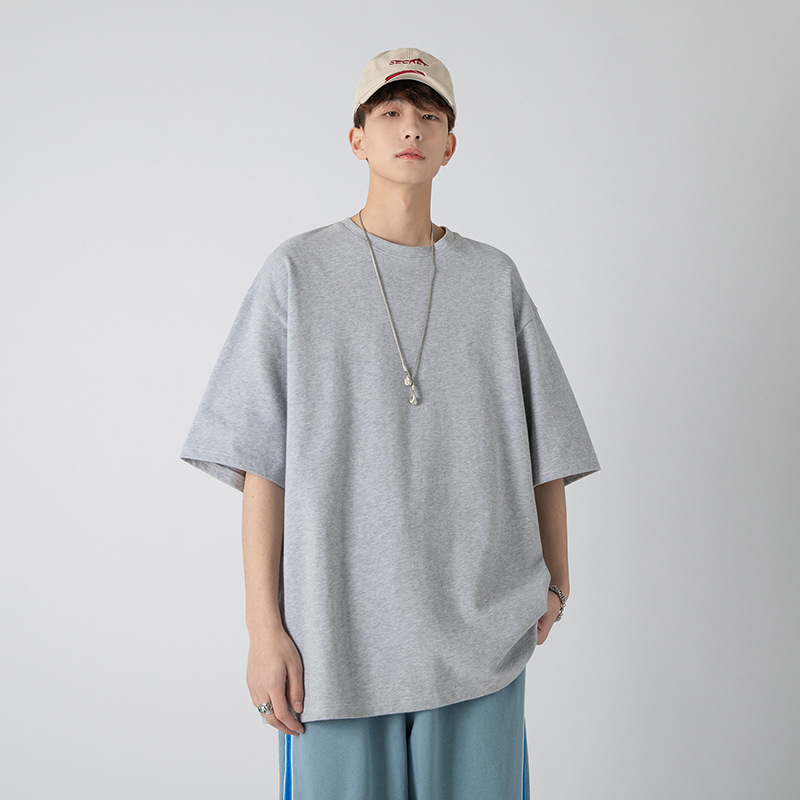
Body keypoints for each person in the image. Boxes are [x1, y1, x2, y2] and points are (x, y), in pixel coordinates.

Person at [180, 47, 600, 799]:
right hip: (333, 644)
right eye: (391, 112)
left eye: (429, 116)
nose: (411, 128)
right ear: (358, 137)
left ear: (450, 145)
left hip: (478, 639)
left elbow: (549, 447)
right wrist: (263, 630)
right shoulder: (297, 273)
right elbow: (260, 465)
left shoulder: (493, 279)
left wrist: (557, 583)